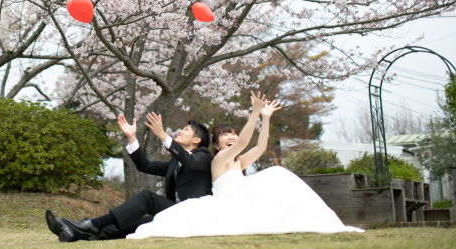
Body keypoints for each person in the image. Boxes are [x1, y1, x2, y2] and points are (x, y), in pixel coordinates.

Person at [127, 92, 364, 239]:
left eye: (233, 133)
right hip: (225, 206)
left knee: (279, 173)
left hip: (243, 203)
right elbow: (243, 142)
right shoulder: (218, 160)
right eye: (225, 134)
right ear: (216, 143)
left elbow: (260, 148)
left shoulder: (238, 162)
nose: (231, 136)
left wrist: (266, 118)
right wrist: (255, 112)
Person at [46, 112, 212, 242]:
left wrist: (162, 135)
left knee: (148, 197)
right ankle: (75, 234)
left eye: (186, 130)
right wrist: (132, 138)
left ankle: (92, 224)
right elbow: (145, 166)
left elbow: (189, 161)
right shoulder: (175, 162)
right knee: (133, 225)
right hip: (174, 213)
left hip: (192, 214)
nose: (180, 131)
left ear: (197, 139)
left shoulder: (203, 156)